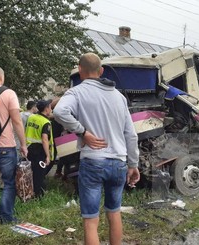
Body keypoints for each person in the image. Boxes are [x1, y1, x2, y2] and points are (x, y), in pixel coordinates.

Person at [53, 53, 140, 245]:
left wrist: (83, 132)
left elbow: (59, 112)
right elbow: (131, 135)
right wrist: (133, 164)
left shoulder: (76, 92)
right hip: (119, 162)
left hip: (93, 161)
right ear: (101, 71)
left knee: (91, 220)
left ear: (80, 71)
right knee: (114, 212)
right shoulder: (118, 97)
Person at [0, 65, 28, 225]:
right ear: (1, 77)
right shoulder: (8, 93)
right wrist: (23, 144)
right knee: (9, 183)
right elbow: (17, 121)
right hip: (5, 147)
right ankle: (6, 217)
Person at [25, 99, 54, 197]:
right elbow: (45, 139)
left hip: (29, 148)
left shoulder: (31, 117)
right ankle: (38, 195)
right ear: (46, 109)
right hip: (40, 150)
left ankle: (28, 191)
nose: (51, 109)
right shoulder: (46, 122)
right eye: (50, 107)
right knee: (39, 174)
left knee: (31, 172)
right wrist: (48, 155)